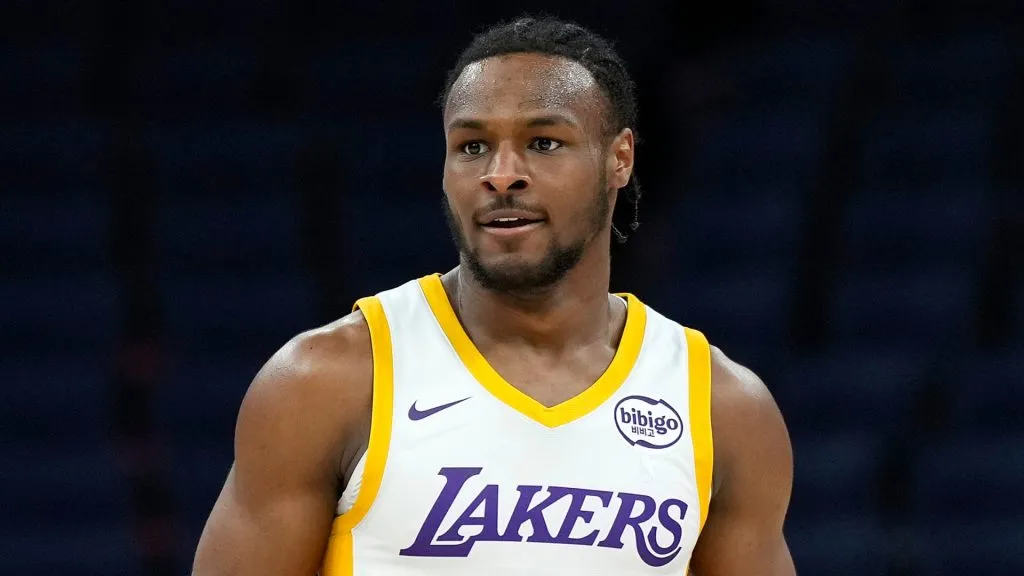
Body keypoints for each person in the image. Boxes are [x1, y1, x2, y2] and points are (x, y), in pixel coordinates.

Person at [192, 15, 794, 575]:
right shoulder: (328, 382)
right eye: (472, 146)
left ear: (620, 159)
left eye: (544, 142)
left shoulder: (722, 409)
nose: (501, 174)